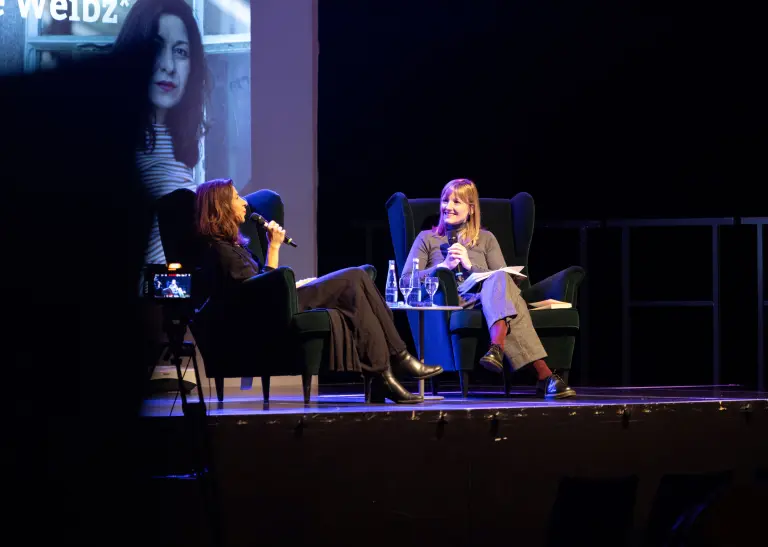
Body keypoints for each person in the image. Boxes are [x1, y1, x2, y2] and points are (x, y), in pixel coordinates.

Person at [195, 179, 443, 404]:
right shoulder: (219, 250)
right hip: (264, 314)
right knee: (354, 276)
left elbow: (262, 282)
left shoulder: (234, 247)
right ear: (222, 207)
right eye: (237, 198)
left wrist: (282, 265)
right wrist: (281, 267)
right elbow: (255, 293)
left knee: (357, 287)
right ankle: (399, 356)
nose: (244, 203)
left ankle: (383, 378)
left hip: (273, 302)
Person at [402, 179, 575, 399]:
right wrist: (442, 267)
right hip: (454, 300)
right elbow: (406, 281)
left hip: (488, 297)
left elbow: (505, 281)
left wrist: (469, 266)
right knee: (511, 301)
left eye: (456, 201)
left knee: (501, 279)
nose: (448, 206)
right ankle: (543, 374)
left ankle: (498, 350)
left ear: (471, 208)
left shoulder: (486, 239)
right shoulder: (427, 238)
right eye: (445, 200)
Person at [113, 0, 210, 265]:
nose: (168, 65)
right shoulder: (115, 143)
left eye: (180, 52)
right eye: (156, 48)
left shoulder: (180, 144)